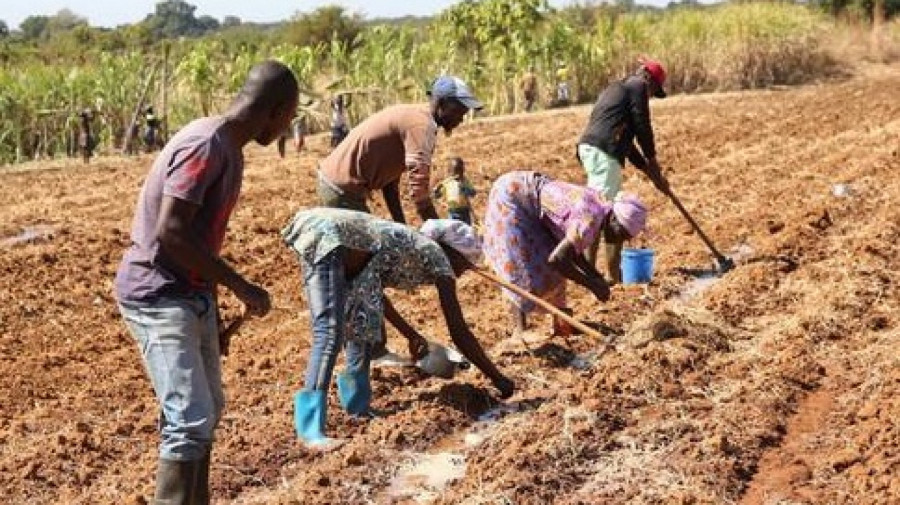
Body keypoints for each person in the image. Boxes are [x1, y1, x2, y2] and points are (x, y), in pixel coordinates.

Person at [114, 60, 299, 505]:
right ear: (274, 112)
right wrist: (240, 285)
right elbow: (172, 232)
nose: (287, 128)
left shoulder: (229, 148)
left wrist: (212, 313)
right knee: (188, 419)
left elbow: (202, 240)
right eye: (290, 118)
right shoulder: (205, 146)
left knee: (207, 411)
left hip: (190, 293)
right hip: (157, 293)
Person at [281, 208, 515, 448]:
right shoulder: (437, 256)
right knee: (329, 332)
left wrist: (411, 335)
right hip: (328, 236)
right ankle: (310, 430)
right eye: (464, 265)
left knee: (363, 323)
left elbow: (376, 297)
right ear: (454, 253)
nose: (461, 272)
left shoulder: (410, 247)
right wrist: (498, 379)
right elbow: (459, 331)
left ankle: (357, 406)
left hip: (337, 243)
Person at [482, 170, 648, 335]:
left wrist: (596, 276)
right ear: (614, 219)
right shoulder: (589, 220)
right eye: (622, 233)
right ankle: (519, 332)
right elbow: (557, 260)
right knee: (521, 264)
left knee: (551, 267)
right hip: (512, 197)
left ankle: (561, 325)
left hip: (528, 196)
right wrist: (591, 284)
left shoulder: (599, 207)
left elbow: (573, 251)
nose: (620, 240)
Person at [317, 74, 482, 225]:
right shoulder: (421, 126)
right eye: (457, 111)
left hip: (335, 184)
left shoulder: (416, 117)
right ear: (441, 103)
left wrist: (401, 225)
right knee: (365, 245)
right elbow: (419, 193)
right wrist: (441, 232)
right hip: (342, 189)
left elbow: (390, 182)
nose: (461, 119)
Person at [576, 57, 670, 283]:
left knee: (599, 208)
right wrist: (653, 161)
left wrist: (647, 170)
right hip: (604, 153)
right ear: (649, 79)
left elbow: (627, 144)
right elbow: (642, 125)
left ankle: (603, 272)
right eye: (653, 91)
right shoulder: (638, 86)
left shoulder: (619, 89)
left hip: (591, 148)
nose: (650, 96)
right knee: (599, 212)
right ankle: (599, 274)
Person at [432, 157, 477, 225]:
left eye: (460, 172)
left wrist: (465, 189)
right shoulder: (447, 183)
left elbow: (473, 193)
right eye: (456, 172)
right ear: (450, 172)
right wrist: (436, 191)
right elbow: (437, 196)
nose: (458, 175)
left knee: (465, 228)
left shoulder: (465, 181)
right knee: (453, 228)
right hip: (452, 212)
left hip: (464, 211)